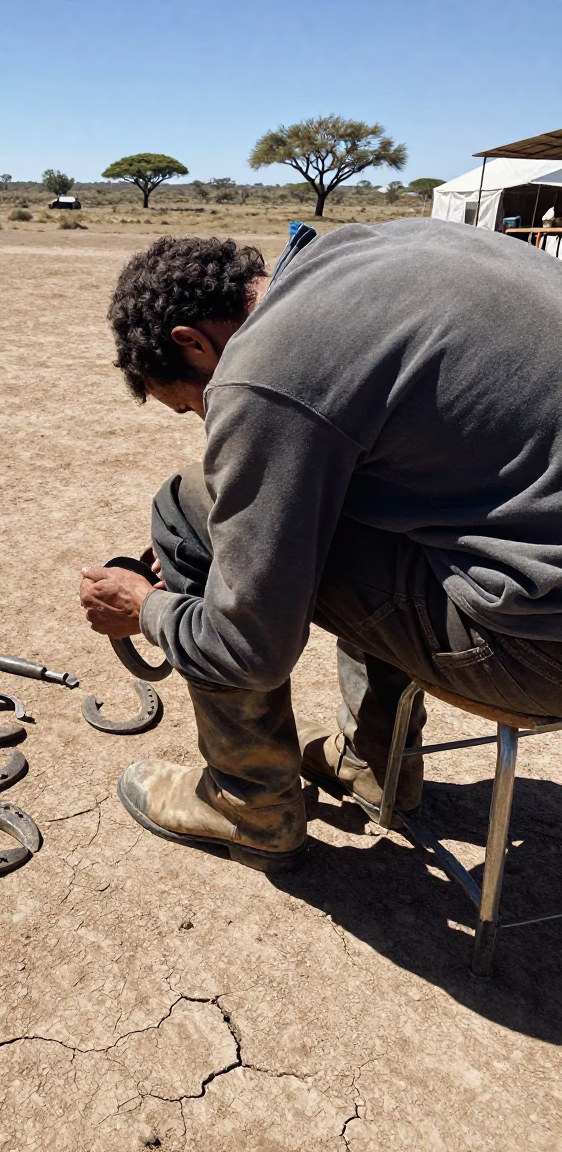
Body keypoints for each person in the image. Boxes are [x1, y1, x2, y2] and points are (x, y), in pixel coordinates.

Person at [78, 221, 562, 872]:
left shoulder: (270, 366)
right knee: (337, 495)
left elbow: (249, 649)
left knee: (187, 512)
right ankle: (374, 765)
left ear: (192, 342)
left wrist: (147, 609)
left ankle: (248, 803)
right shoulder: (371, 250)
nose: (207, 420)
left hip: (538, 652)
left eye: (192, 404)